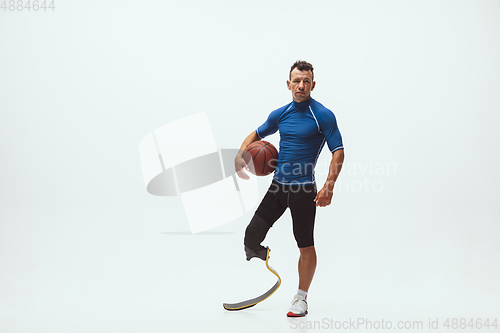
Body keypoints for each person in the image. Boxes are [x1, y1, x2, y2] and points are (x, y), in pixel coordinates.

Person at [234, 60, 345, 317]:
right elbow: (256, 134)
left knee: (305, 245)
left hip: (304, 190)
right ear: (288, 84)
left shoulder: (323, 115)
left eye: (306, 81)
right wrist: (240, 155)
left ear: (313, 84)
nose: (301, 85)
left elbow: (338, 152)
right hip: (278, 188)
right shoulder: (280, 114)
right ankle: (265, 257)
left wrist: (328, 187)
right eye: (297, 80)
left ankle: (301, 298)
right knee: (251, 237)